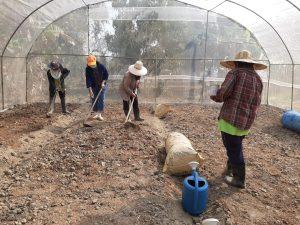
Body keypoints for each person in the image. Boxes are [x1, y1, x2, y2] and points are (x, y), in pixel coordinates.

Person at [210, 50, 267, 188]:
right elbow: (256, 101)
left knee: (233, 149)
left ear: (236, 62)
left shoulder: (235, 74)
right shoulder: (258, 79)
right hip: (246, 122)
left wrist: (214, 95)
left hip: (231, 120)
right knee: (235, 146)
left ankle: (239, 179)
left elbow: (223, 93)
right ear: (251, 64)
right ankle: (230, 169)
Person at [85, 55, 109, 120]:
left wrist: (103, 82)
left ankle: (99, 114)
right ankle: (96, 113)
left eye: (92, 64)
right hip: (94, 86)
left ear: (95, 61)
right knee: (94, 98)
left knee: (101, 98)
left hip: (102, 85)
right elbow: (88, 79)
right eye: (90, 64)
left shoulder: (101, 66)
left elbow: (106, 75)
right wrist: (90, 90)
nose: (92, 66)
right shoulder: (88, 69)